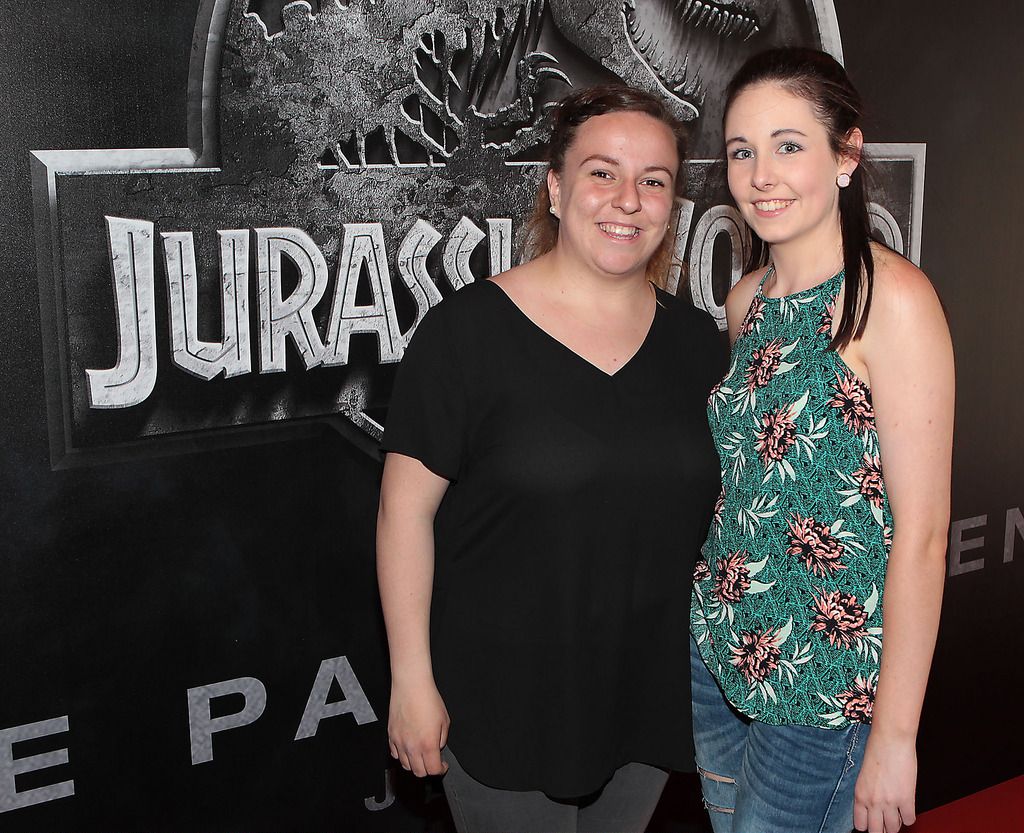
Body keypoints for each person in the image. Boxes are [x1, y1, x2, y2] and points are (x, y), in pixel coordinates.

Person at [377, 85, 726, 832]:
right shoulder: (466, 334)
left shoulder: (700, 344)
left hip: (642, 695)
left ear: (673, 206)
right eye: (603, 172)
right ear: (558, 189)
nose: (628, 199)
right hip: (500, 696)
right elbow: (403, 513)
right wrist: (411, 679)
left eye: (654, 180)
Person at [689, 48, 954, 833]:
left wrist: (896, 735)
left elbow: (924, 536)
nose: (761, 173)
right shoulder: (745, 302)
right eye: (743, 151)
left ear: (846, 154)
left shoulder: (891, 301)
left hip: (826, 688)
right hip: (719, 653)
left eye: (789, 144)